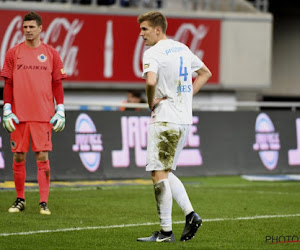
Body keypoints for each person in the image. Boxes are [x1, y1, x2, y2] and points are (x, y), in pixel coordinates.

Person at [136, 11, 212, 242]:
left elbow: (150, 81)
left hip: (165, 119)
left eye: (145, 29)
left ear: (158, 30)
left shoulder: (153, 52)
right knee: (166, 172)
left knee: (158, 174)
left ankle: (166, 232)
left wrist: (150, 102)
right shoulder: (182, 48)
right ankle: (190, 215)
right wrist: (186, 96)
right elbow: (205, 73)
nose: (141, 35)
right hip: (183, 120)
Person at [1, 12, 67, 215]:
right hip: (19, 115)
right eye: (25, 27)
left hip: (43, 115)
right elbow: (8, 83)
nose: (28, 30)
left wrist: (61, 108)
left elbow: (57, 83)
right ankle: (20, 199)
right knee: (19, 156)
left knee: (42, 156)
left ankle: (43, 202)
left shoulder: (51, 53)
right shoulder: (13, 53)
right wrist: (7, 108)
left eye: (32, 27)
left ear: (40, 28)